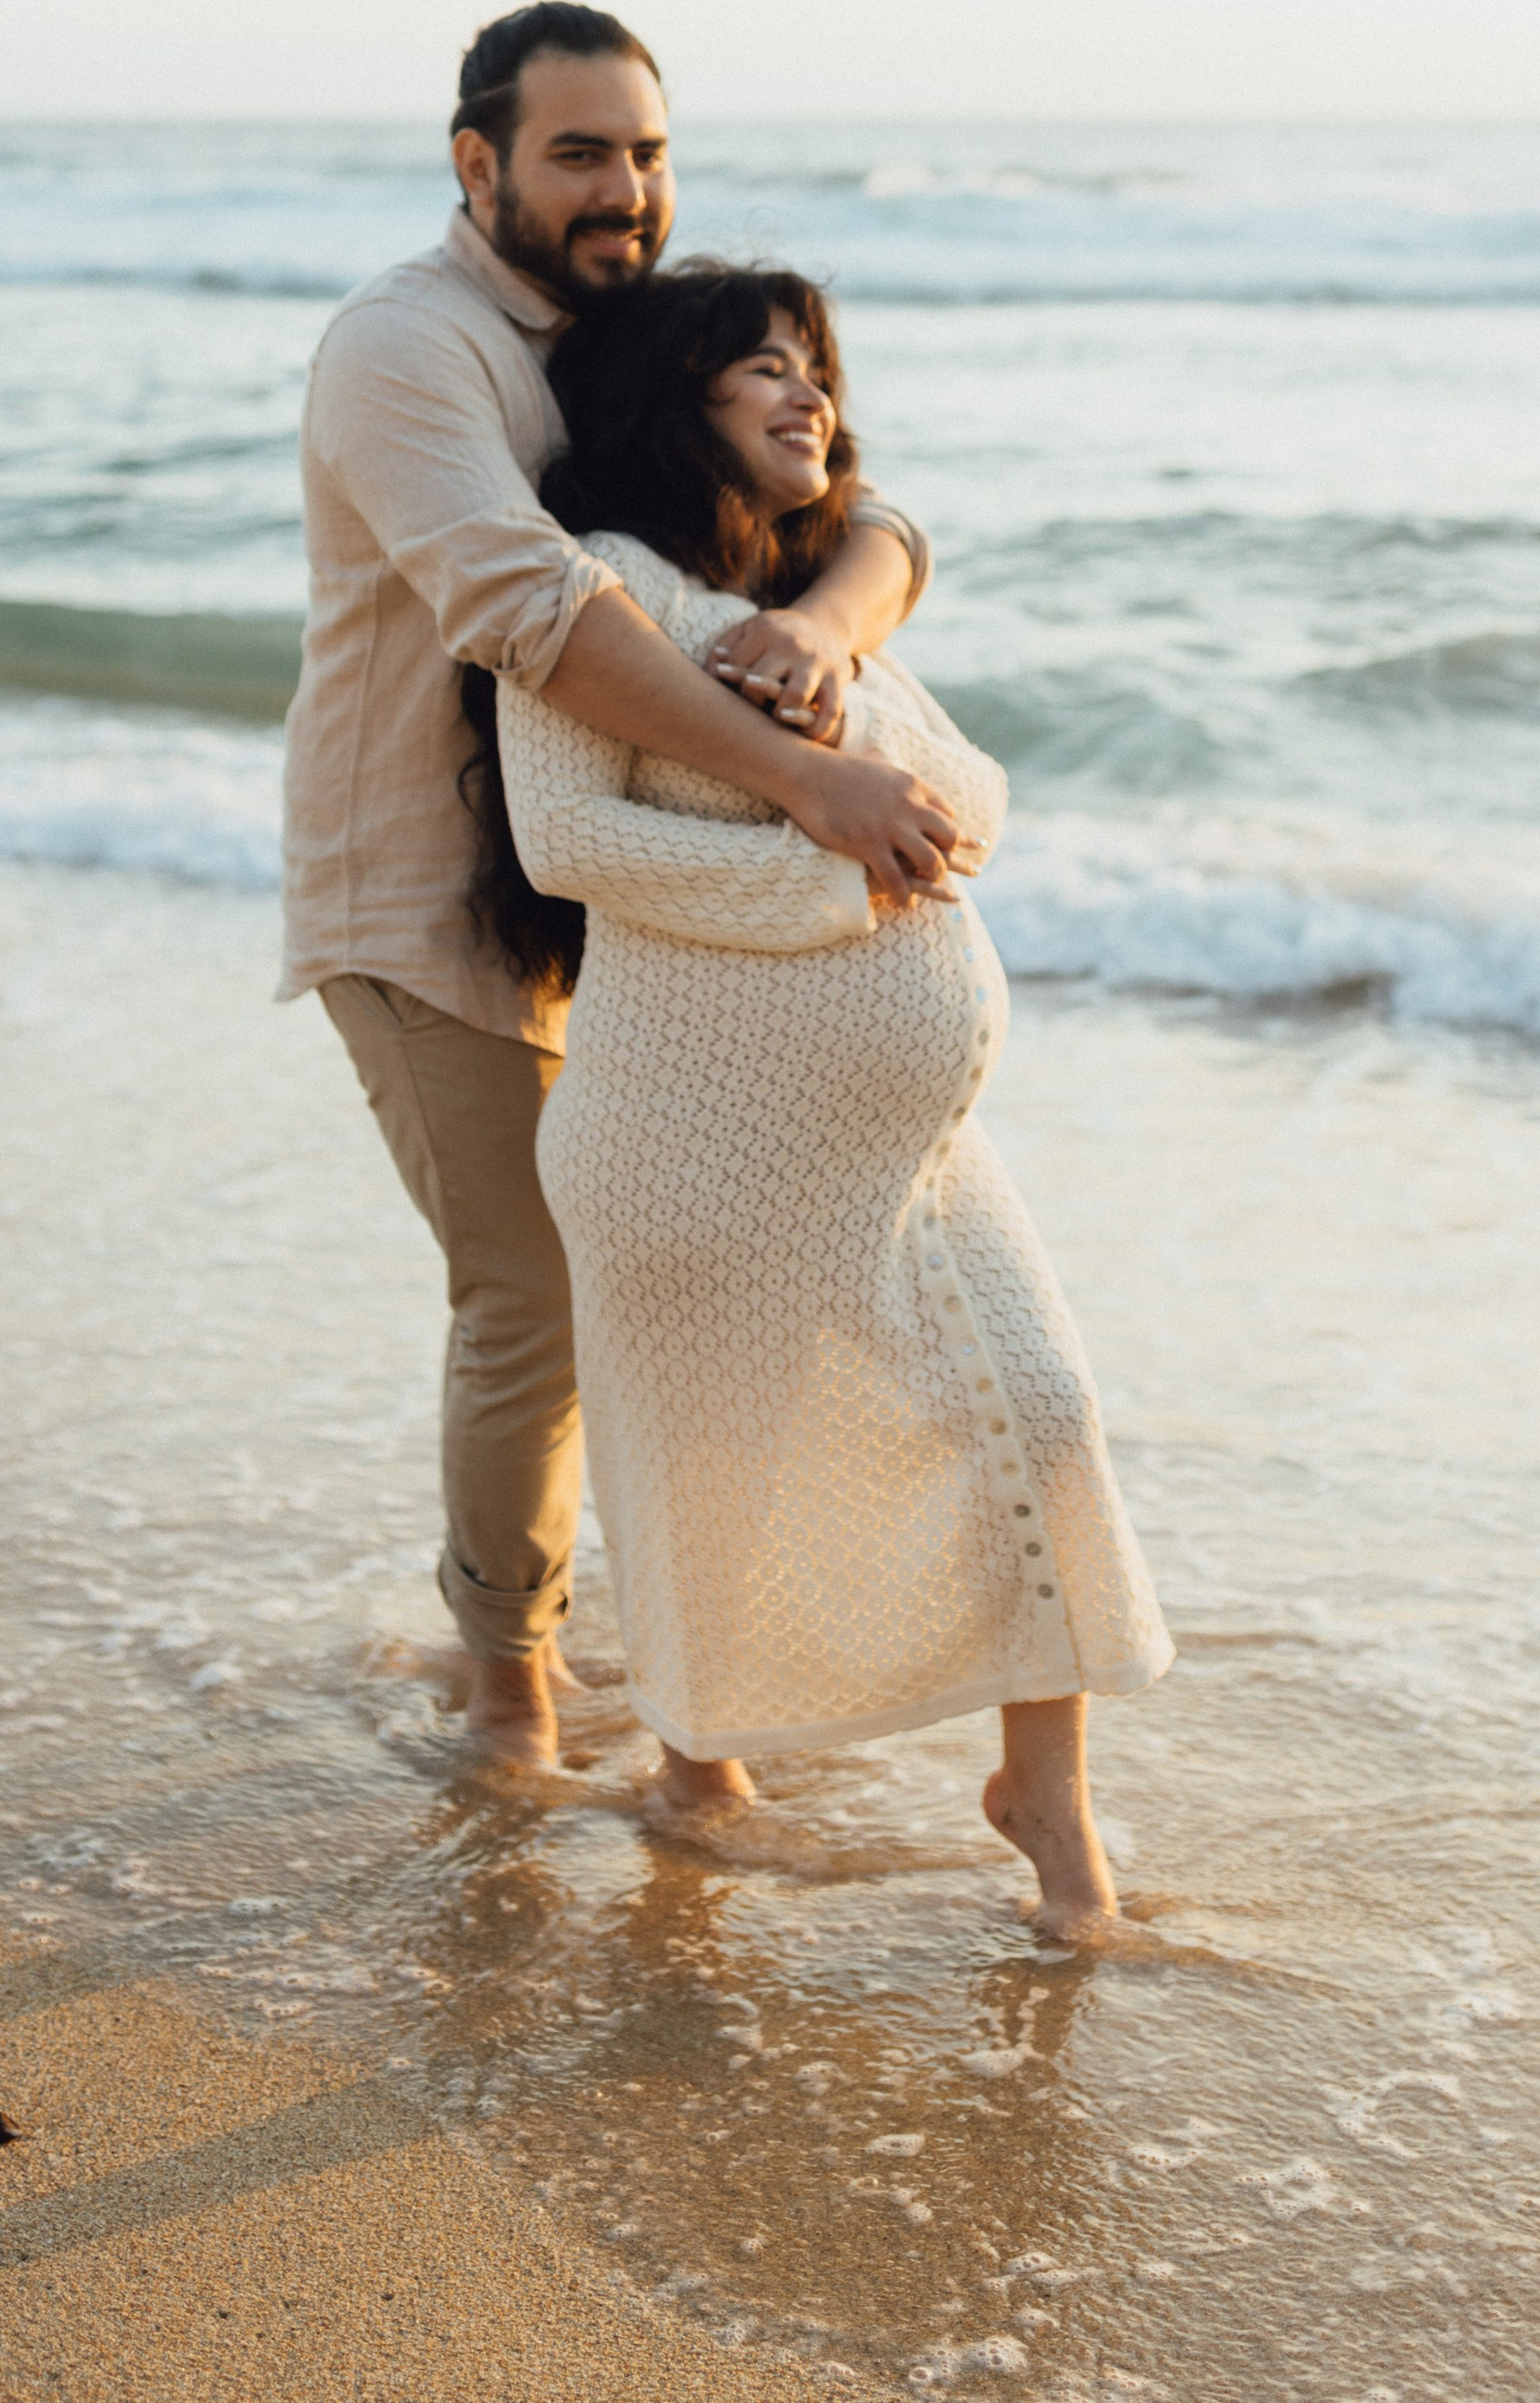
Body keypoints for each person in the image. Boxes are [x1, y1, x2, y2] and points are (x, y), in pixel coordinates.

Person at [281, 6, 959, 1769]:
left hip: (627, 901)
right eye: (580, 153)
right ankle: (509, 1682)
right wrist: (808, 777)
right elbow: (536, 613)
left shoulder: (641, 338)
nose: (625, 191)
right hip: (424, 894)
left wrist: (813, 633)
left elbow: (874, 516)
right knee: (538, 1291)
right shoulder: (406, 350)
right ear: (478, 162)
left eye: (646, 153)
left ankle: (663, 1667)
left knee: (658, 1278)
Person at [479, 261, 1173, 1938]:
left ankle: (1046, 1802)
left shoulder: (816, 608)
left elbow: (976, 801)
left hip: (914, 1149)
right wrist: (827, 883)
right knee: (707, 1471)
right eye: (765, 374)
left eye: (819, 374)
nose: (814, 403)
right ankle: (696, 1765)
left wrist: (851, 705)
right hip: (687, 1139)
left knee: (1044, 1416)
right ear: (675, 406)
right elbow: (567, 843)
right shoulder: (594, 600)